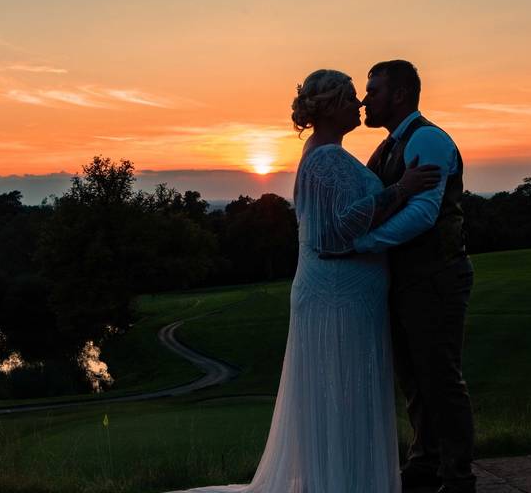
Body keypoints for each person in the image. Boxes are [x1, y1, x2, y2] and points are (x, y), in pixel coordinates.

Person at [167, 69, 439, 493]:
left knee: (345, 395)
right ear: (330, 107)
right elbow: (333, 233)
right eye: (351, 97)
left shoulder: (328, 154)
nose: (360, 105)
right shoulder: (326, 159)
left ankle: (346, 479)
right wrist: (401, 190)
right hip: (338, 297)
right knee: (342, 395)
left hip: (344, 294)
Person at [357, 59, 476, 493]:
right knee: (413, 379)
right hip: (404, 279)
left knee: (440, 378)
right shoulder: (386, 148)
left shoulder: (427, 138)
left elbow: (424, 215)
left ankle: (458, 478)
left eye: (373, 90)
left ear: (401, 94)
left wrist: (364, 245)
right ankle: (425, 464)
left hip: (437, 275)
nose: (364, 99)